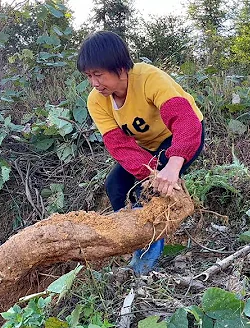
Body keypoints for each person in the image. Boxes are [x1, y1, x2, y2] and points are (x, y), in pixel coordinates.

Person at [77, 31, 206, 274]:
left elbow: (185, 121)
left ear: (120, 68)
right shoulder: (96, 101)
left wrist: (172, 166)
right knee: (116, 185)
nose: (94, 83)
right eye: (89, 76)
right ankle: (131, 237)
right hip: (147, 146)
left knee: (149, 194)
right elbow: (120, 146)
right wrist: (150, 172)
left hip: (182, 135)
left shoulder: (149, 79)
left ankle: (148, 254)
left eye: (98, 75)